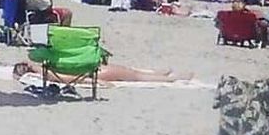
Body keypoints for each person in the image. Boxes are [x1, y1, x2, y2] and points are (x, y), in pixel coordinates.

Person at [13, 56, 187, 84]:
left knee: (130, 71)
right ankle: (171, 78)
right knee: (134, 76)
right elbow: (66, 79)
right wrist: (96, 82)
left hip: (93, 69)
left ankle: (162, 74)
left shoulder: (39, 66)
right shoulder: (44, 72)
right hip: (94, 73)